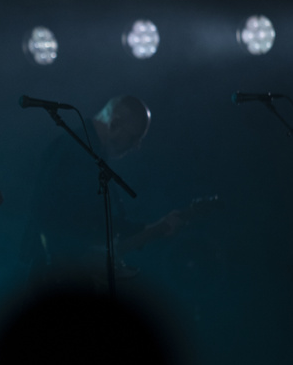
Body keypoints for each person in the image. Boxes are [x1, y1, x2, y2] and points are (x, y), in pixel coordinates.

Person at [22, 95, 183, 290]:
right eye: (134, 138)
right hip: (54, 277)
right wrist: (78, 257)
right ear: (114, 123)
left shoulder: (94, 157)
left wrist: (150, 228)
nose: (136, 146)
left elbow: (94, 222)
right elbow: (44, 213)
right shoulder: (72, 150)